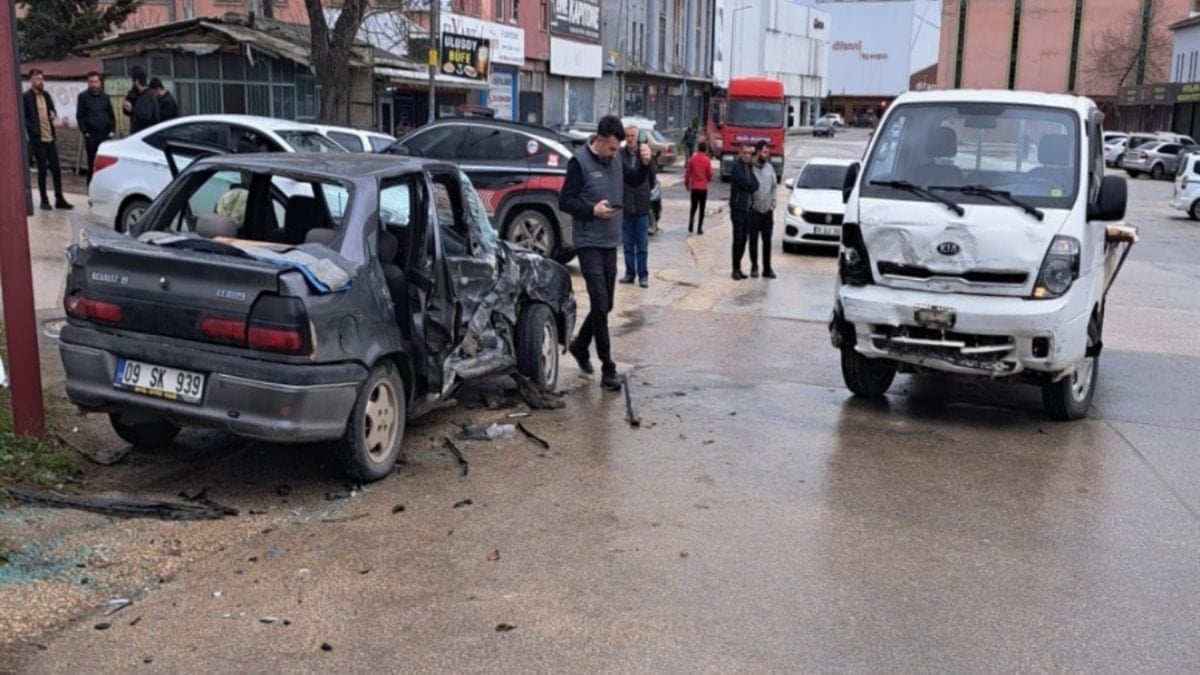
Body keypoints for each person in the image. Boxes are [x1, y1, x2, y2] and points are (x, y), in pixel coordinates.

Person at [559, 115, 643, 391]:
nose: (615, 153)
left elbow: (632, 179)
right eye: (612, 148)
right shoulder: (579, 162)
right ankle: (608, 367)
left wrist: (645, 164)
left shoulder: (616, 158)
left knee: (605, 305)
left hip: (610, 241)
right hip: (588, 242)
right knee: (599, 301)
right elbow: (565, 201)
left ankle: (580, 345)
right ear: (600, 140)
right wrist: (591, 211)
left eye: (617, 149)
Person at [22, 69, 72, 210]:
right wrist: (33, 130)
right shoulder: (26, 97)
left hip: (50, 136)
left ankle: (59, 198)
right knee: (42, 169)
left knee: (56, 169)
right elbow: (24, 118)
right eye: (38, 79)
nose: (41, 81)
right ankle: (44, 200)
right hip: (38, 139)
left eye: (42, 79)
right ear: (31, 80)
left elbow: (53, 110)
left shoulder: (46, 95)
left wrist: (53, 114)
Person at [618, 125, 655, 288]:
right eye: (627, 135)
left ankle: (643, 275)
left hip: (641, 206)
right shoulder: (620, 155)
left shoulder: (645, 154)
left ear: (637, 137)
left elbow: (652, 177)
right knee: (627, 243)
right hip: (626, 206)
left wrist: (645, 193)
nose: (630, 138)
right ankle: (629, 273)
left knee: (641, 244)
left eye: (632, 135)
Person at [76, 71, 116, 186]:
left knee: (107, 164)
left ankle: (106, 188)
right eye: (91, 82)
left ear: (100, 83)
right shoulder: (83, 97)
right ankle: (91, 190)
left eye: (96, 82)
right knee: (93, 164)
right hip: (92, 136)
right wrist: (86, 132)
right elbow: (80, 116)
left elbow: (111, 115)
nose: (94, 84)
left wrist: (112, 130)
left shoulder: (105, 97)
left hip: (105, 135)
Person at [728, 142, 759, 280]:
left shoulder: (749, 167)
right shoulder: (736, 167)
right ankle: (735, 268)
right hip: (738, 208)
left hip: (748, 208)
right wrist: (749, 185)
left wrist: (750, 185)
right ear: (740, 153)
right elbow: (744, 183)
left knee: (744, 240)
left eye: (749, 153)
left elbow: (755, 184)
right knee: (737, 239)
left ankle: (739, 266)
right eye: (745, 153)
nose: (747, 156)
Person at [747, 140, 777, 279]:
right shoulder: (749, 168)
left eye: (768, 153)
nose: (766, 155)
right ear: (758, 151)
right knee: (753, 240)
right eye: (764, 152)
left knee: (767, 241)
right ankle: (754, 266)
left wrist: (773, 202)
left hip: (767, 211)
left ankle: (767, 268)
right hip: (754, 212)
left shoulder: (769, 168)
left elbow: (774, 186)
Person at [685, 138, 713, 235]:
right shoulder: (707, 160)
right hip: (703, 188)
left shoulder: (692, 159)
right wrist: (707, 180)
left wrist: (687, 184)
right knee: (702, 208)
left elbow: (688, 173)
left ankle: (691, 225)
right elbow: (710, 174)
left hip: (694, 187)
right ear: (705, 149)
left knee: (693, 207)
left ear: (698, 148)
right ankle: (699, 228)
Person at [127, 68, 160, 134]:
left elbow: (144, 116)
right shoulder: (147, 95)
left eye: (133, 82)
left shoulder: (145, 97)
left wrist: (132, 110)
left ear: (137, 81)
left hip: (144, 136)